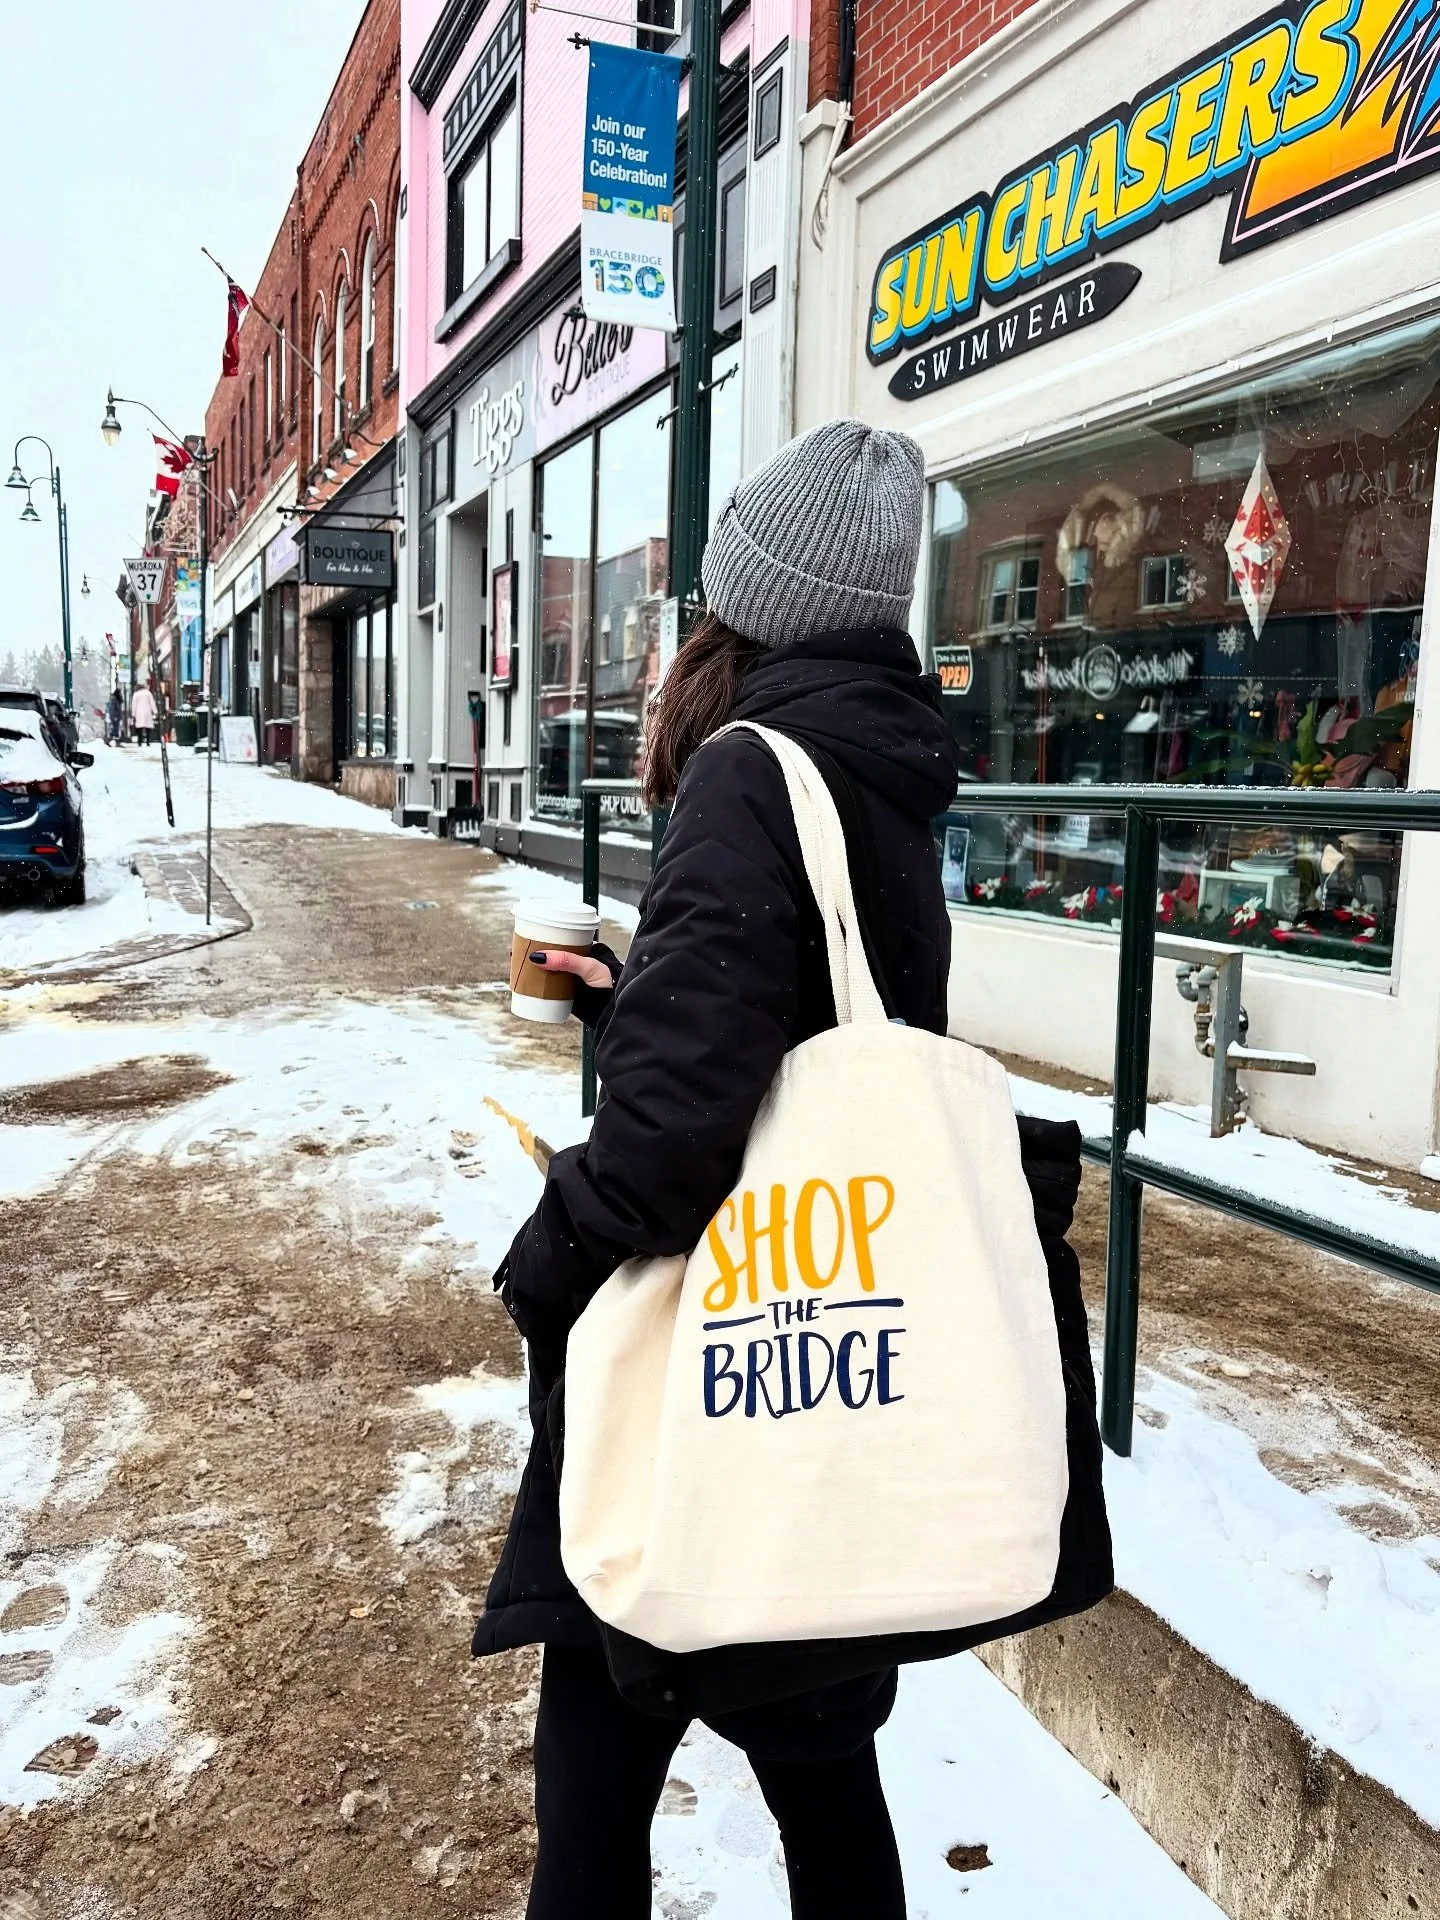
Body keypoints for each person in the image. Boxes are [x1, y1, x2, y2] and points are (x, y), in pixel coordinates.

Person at [477, 420, 1110, 1919]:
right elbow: (822, 1043)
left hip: (722, 1357)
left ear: (739, 611)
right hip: (836, 1378)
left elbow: (679, 1128)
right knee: (829, 1796)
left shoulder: (750, 774)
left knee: (593, 1789)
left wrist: (551, 1255)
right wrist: (640, 995)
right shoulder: (884, 773)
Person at [130, 681, 157, 747]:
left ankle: (140, 742)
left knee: (140, 728)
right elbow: (152, 702)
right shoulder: (148, 693)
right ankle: (148, 741)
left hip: (138, 712)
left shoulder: (136, 694)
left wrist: (133, 714)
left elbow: (134, 705)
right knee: (148, 728)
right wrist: (155, 711)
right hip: (147, 711)